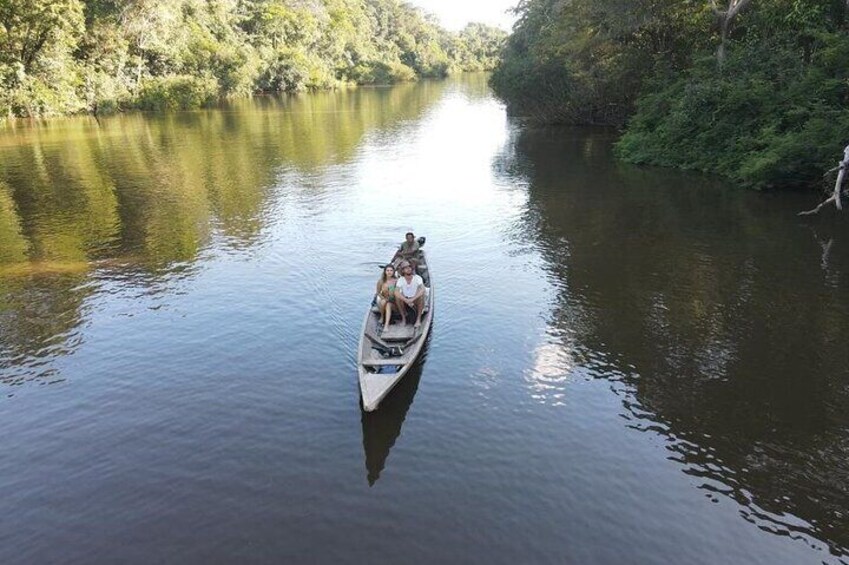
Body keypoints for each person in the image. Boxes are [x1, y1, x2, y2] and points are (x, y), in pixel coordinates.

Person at [394, 260, 426, 328]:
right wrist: (406, 300)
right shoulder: (401, 279)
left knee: (421, 295)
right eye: (406, 268)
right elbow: (396, 291)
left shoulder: (417, 278)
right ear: (402, 271)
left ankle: (418, 319)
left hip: (415, 299)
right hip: (406, 300)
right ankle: (404, 319)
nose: (408, 269)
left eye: (409, 267)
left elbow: (422, 289)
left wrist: (412, 299)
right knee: (397, 297)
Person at [375, 264, 397, 333]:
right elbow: (378, 293)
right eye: (387, 270)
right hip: (385, 301)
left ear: (393, 272)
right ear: (385, 272)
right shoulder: (381, 281)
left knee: (388, 304)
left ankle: (385, 322)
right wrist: (383, 298)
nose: (389, 272)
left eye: (391, 270)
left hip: (394, 302)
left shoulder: (396, 281)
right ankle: (383, 318)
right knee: (384, 302)